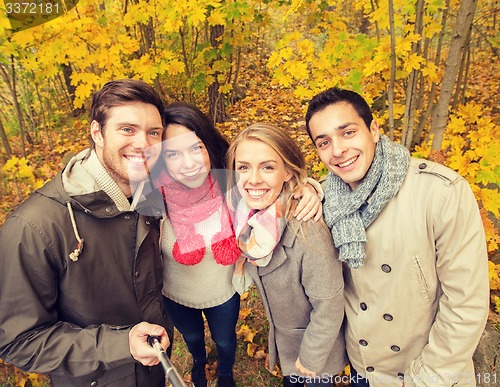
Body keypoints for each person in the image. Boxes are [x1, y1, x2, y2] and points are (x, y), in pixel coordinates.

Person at [305, 87, 490, 387]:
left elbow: (465, 304)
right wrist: (308, 187)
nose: (337, 150)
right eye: (324, 142)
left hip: (426, 373)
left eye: (348, 132)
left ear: (374, 130)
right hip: (364, 370)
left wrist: (427, 378)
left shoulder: (440, 192)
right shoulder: (326, 200)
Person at [0, 79, 173, 387]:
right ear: (97, 133)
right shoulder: (35, 227)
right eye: (127, 129)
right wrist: (122, 345)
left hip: (154, 370)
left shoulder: (147, 196)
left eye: (154, 133)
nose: (144, 144)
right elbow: (19, 340)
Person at [151, 103, 323, 387]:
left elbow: (273, 187)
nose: (189, 162)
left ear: (208, 146)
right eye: (173, 153)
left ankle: (226, 371)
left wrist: (310, 189)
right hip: (176, 295)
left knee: (225, 339)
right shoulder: (153, 200)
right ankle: (199, 362)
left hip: (223, 292)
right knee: (193, 338)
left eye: (196, 148)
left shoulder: (232, 185)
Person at [226, 123, 347, 387]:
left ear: (287, 172)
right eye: (243, 167)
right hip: (287, 345)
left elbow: (329, 306)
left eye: (268, 167)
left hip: (316, 352)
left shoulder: (307, 232)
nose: (254, 179)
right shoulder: (248, 217)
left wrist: (312, 359)